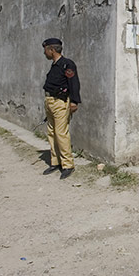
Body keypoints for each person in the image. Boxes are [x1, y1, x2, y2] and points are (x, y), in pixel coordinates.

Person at [41, 38, 81, 180]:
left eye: (45, 50)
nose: (44, 53)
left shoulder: (67, 64)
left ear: (52, 50)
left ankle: (67, 164)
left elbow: (73, 82)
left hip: (60, 102)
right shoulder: (54, 65)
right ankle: (55, 162)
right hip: (50, 101)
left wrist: (74, 101)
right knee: (51, 132)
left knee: (61, 133)